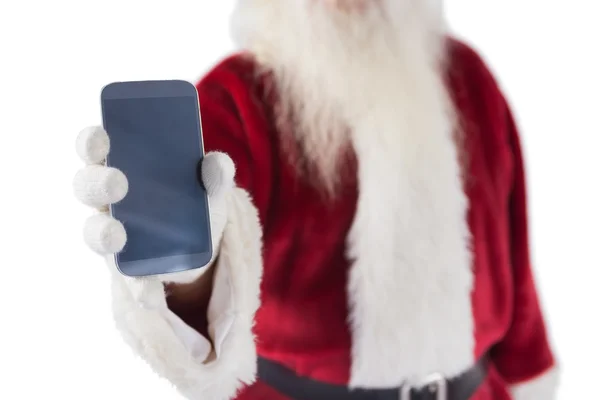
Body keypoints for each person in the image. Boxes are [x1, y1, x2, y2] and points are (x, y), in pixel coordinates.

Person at [72, 1, 558, 399]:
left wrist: (529, 374)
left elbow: (514, 257)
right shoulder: (234, 97)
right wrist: (186, 273)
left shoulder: (469, 77)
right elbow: (214, 250)